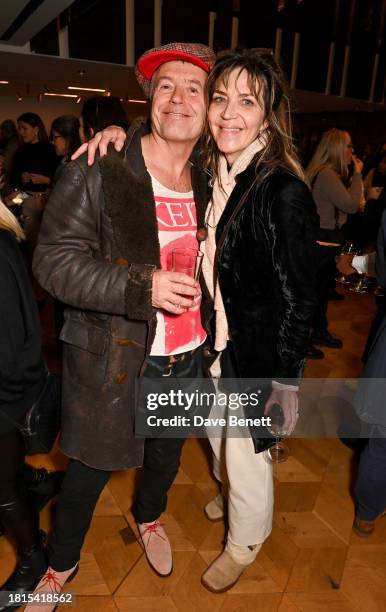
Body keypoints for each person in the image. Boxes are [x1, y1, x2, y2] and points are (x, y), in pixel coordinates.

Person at [83, 47, 318, 594]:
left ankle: (245, 541)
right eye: (221, 98)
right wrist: (119, 133)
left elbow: (301, 300)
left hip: (253, 357)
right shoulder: (216, 171)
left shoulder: (281, 190)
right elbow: (164, 136)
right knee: (217, 435)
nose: (228, 113)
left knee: (246, 450)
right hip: (211, 342)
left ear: (269, 115)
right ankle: (229, 487)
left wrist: (286, 381)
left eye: (247, 102)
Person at [25, 42, 215, 609]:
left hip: (188, 355)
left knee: (165, 455)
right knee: (87, 473)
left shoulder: (210, 180)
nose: (179, 98)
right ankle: (61, 563)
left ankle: (149, 517)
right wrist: (142, 286)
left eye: (194, 89)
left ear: (209, 108)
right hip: (115, 357)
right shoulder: (100, 166)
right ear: (148, 99)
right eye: (166, 87)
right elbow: (52, 262)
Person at [0, 198, 64, 611]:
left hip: (6, 394)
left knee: (0, 487)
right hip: (11, 388)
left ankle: (33, 559)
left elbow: (11, 348)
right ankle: (34, 485)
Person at [305, 128, 363, 359]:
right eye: (349, 146)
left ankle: (318, 332)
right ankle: (303, 341)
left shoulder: (326, 172)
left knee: (320, 293)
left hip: (324, 239)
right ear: (338, 148)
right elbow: (351, 205)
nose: (352, 151)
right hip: (322, 241)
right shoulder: (327, 174)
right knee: (314, 294)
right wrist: (358, 174)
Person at [10, 113, 58, 193]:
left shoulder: (51, 150)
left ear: (36, 130)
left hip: (46, 199)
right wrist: (21, 177)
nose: (21, 132)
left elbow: (60, 179)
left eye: (24, 128)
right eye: (19, 128)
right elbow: (12, 177)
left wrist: (46, 180)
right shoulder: (20, 150)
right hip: (24, 196)